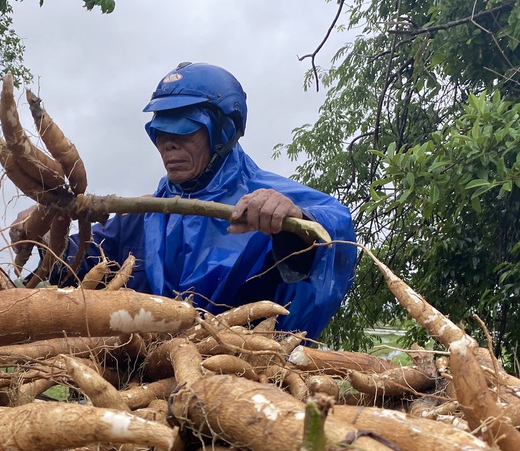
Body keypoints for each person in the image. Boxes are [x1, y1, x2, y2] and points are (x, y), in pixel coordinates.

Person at [35, 62, 358, 340]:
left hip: (248, 376)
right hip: (142, 377)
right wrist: (45, 238)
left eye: (185, 131)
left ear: (224, 130)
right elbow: (83, 264)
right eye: (161, 133)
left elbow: (336, 226)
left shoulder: (269, 198)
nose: (168, 146)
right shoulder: (146, 213)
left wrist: (297, 221)